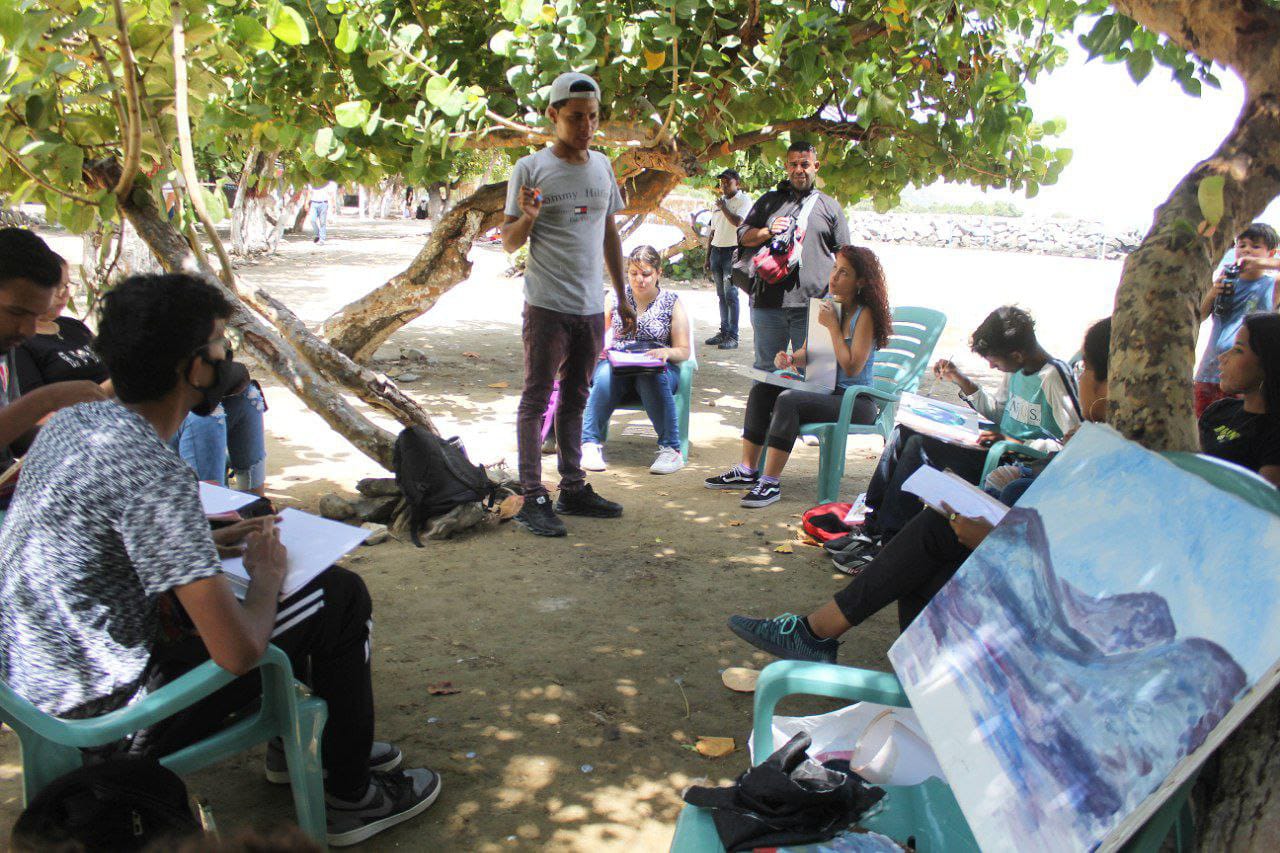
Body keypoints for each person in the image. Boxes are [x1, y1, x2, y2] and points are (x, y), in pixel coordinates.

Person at [0, 273, 439, 847]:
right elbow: (237, 653)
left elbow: (100, 536)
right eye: (219, 347)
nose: (225, 359)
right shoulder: (153, 474)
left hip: (39, 692)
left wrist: (203, 541)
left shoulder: (80, 421)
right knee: (336, 598)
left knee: (293, 595)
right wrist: (266, 578)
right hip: (108, 729)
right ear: (193, 369)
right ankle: (351, 795)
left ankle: (308, 745)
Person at [727, 317, 1115, 663]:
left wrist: (999, 519)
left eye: (1086, 371)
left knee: (927, 526)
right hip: (1007, 473)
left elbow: (1054, 460)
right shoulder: (1098, 438)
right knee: (910, 443)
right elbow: (1000, 413)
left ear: (1106, 384)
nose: (1079, 376)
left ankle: (833, 621)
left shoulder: (1064, 393)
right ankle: (874, 534)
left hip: (1014, 468)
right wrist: (965, 385)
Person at [501, 71, 635, 537]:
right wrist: (530, 218)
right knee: (537, 396)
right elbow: (507, 241)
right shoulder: (530, 168)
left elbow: (610, 233)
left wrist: (623, 296)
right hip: (546, 304)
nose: (587, 127)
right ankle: (531, 495)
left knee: (577, 395)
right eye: (576, 118)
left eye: (594, 118)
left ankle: (573, 487)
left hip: (589, 307)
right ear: (553, 115)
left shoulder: (602, 165)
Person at [845, 306, 1080, 566]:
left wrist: (1014, 442)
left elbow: (1074, 443)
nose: (992, 366)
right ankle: (872, 525)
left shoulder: (1053, 376)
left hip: (1016, 463)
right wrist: (961, 379)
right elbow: (1000, 414)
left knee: (919, 447)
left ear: (1016, 354)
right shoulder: (1015, 370)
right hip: (997, 448)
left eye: (995, 360)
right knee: (904, 432)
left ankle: (891, 542)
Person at [704, 246, 892, 507]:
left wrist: (834, 328)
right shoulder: (828, 302)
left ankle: (770, 483)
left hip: (855, 402)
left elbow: (852, 368)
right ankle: (748, 470)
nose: (834, 277)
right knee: (762, 389)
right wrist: (792, 358)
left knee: (790, 400)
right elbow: (809, 351)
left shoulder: (865, 315)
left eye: (844, 273)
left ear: (861, 281)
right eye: (835, 268)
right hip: (822, 389)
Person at [0, 230, 108, 506]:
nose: (28, 330)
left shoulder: (5, 345)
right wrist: (49, 398)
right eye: (17, 312)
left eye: (36, 315)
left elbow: (17, 440)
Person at [737, 141, 850, 371]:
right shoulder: (768, 201)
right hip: (767, 304)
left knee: (812, 372)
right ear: (787, 167)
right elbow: (743, 237)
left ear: (816, 166)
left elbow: (845, 258)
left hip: (813, 307)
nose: (799, 169)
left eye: (805, 164)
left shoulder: (830, 207)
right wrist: (768, 231)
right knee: (766, 370)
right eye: (793, 164)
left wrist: (839, 301)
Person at [581, 245, 691, 475]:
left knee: (649, 377)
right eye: (633, 273)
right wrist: (598, 349)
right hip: (620, 361)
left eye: (646, 274)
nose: (639, 279)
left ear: (658, 273)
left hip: (657, 366)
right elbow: (597, 332)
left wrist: (666, 353)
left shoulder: (671, 301)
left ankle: (671, 450)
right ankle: (589, 444)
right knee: (603, 375)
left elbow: (683, 351)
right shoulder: (617, 296)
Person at [1194, 223, 1279, 418]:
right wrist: (1212, 293)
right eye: (1242, 245)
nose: (1247, 250)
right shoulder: (1224, 280)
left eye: (1255, 246)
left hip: (1248, 377)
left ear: (1271, 252)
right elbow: (1198, 317)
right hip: (1210, 372)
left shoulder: (1272, 284)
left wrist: (1262, 264)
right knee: (1203, 429)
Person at [1199, 312, 1280, 485]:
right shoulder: (1219, 410)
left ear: (1267, 364)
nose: (1222, 357)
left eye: (1238, 350)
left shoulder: (1273, 435)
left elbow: (1260, 503)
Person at [702, 169, 752, 350]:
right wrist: (707, 257)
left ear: (737, 183)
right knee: (721, 295)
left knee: (731, 295)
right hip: (716, 251)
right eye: (721, 182)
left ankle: (733, 336)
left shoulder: (743, 200)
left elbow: (739, 222)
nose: (723, 185)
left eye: (727, 182)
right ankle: (723, 331)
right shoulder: (717, 204)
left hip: (732, 252)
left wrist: (723, 207)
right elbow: (712, 231)